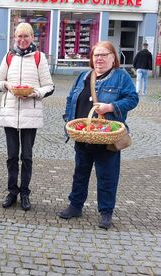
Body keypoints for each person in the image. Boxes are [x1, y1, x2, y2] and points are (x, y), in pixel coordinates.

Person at [58, 41, 139, 229]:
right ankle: (75, 205)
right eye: (96, 55)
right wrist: (68, 119)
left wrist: (111, 107)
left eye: (104, 55)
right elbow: (71, 98)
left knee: (107, 176)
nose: (99, 59)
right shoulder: (84, 75)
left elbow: (132, 98)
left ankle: (106, 212)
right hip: (84, 134)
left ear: (113, 58)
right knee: (80, 173)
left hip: (106, 137)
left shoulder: (121, 76)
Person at [0, 22, 54, 211]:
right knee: (12, 156)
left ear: (32, 38)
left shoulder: (39, 57)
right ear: (14, 38)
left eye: (26, 36)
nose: (22, 40)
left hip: (30, 113)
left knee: (26, 156)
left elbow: (49, 86)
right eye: (19, 36)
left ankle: (25, 193)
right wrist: (6, 86)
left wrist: (35, 92)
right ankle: (12, 191)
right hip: (10, 112)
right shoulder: (9, 56)